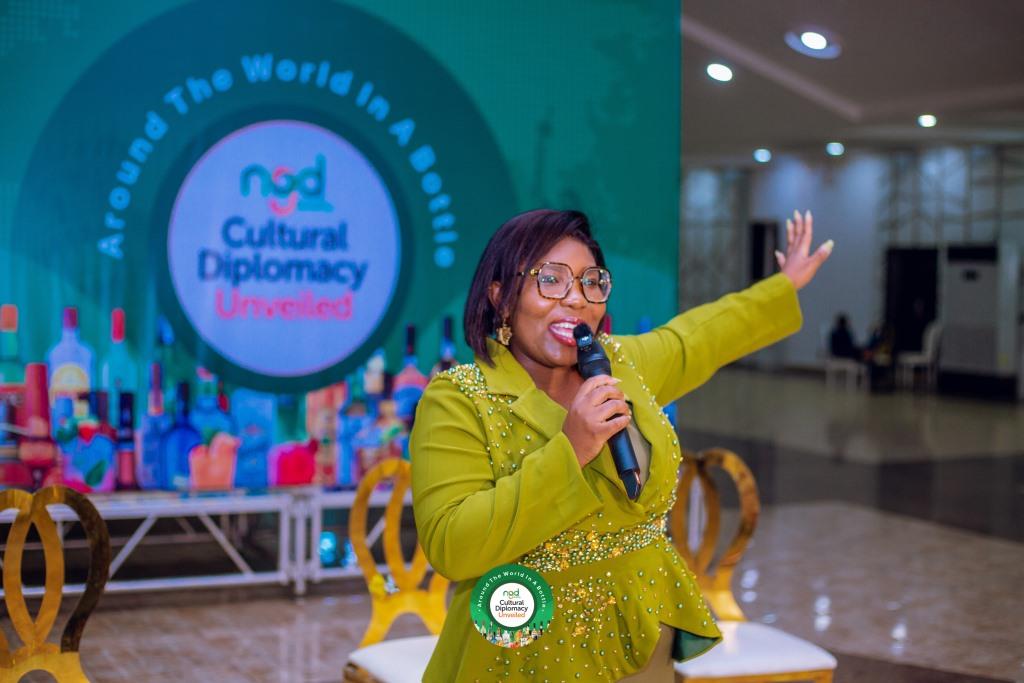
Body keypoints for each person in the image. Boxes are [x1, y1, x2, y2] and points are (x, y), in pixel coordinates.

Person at [410, 209, 832, 681]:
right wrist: (571, 449)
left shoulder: (618, 363)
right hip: (527, 651)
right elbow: (452, 546)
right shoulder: (459, 398)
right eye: (550, 280)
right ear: (500, 297)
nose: (575, 299)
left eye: (591, 282)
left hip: (641, 640)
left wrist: (783, 285)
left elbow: (700, 338)